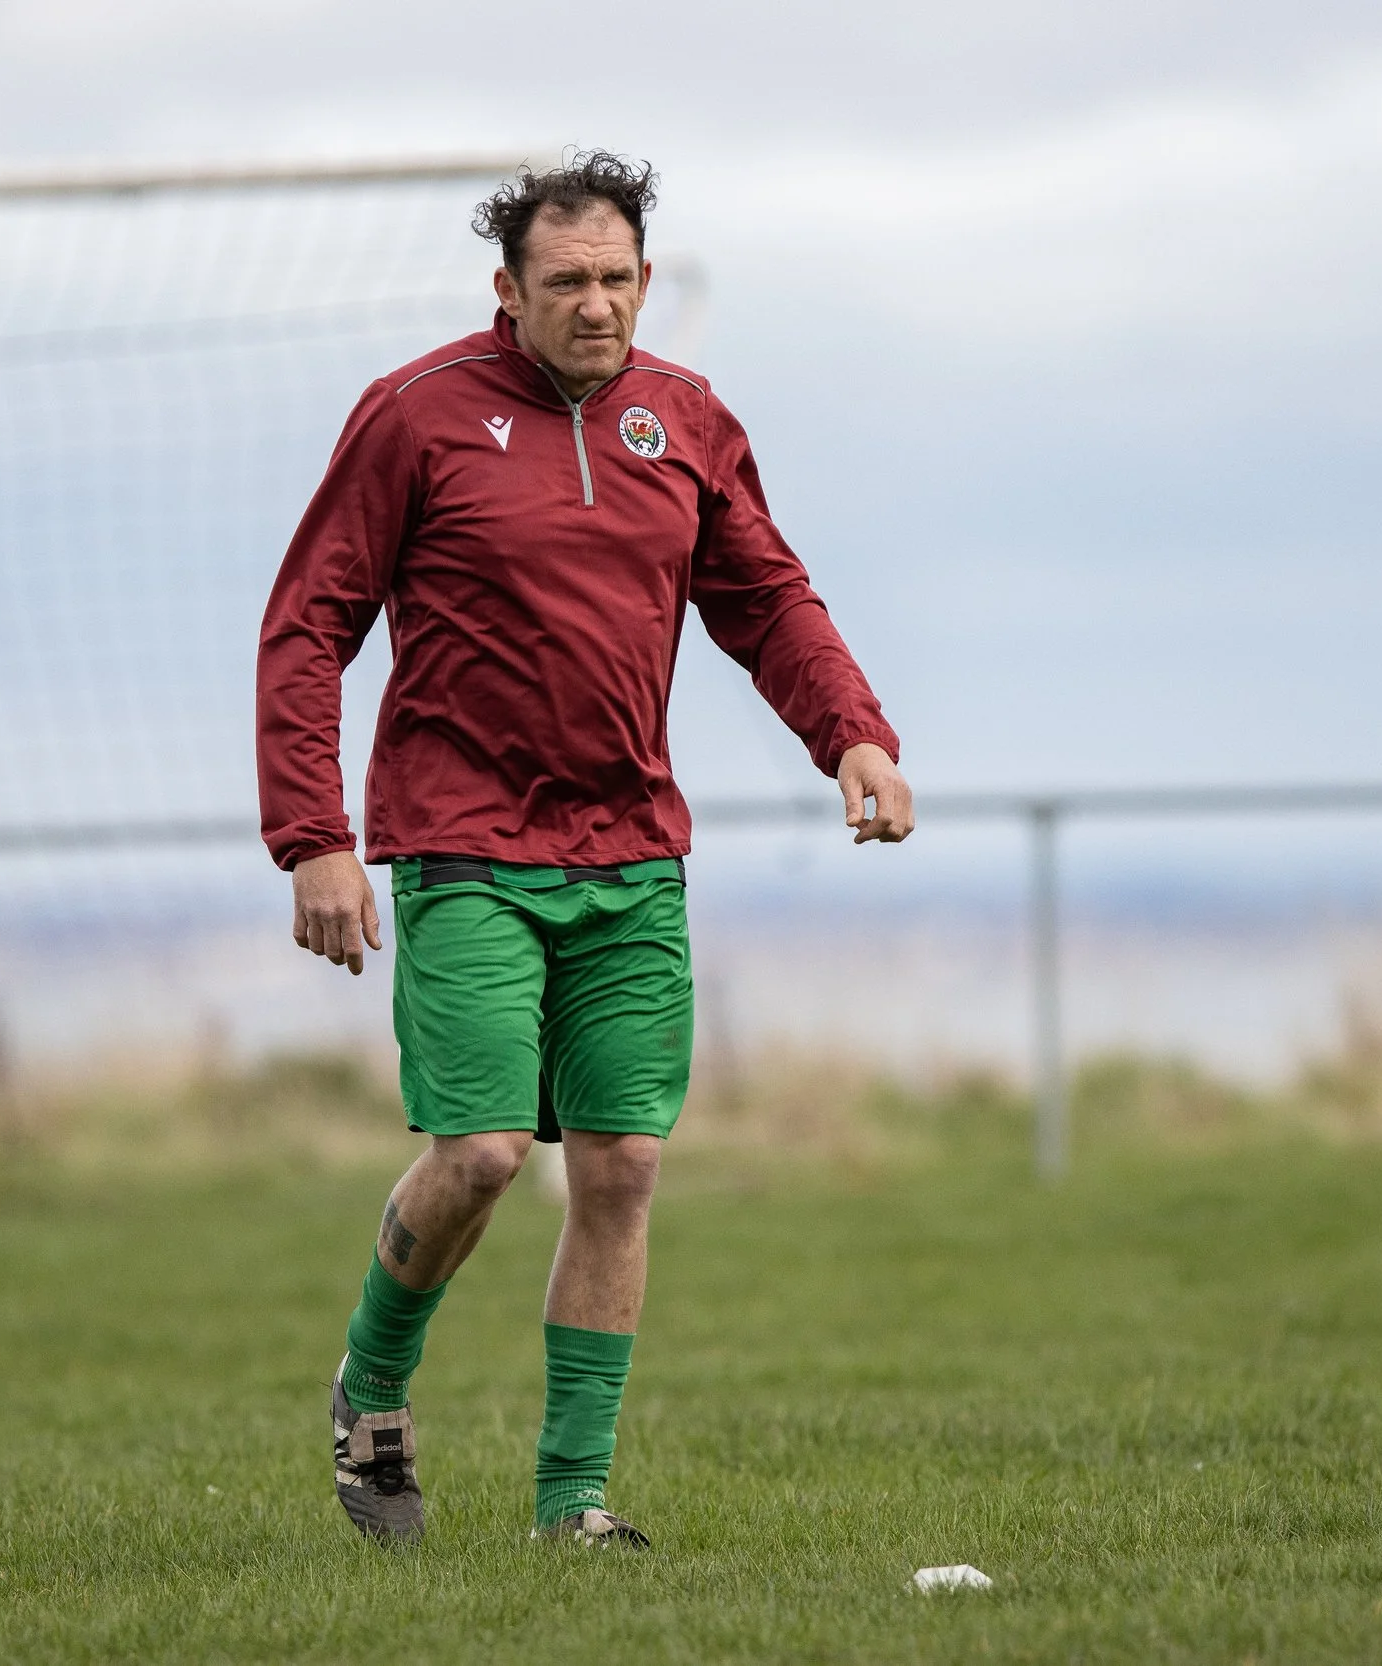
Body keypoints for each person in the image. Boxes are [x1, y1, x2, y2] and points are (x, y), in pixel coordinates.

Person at [256, 151, 913, 1549]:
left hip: (631, 854)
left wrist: (852, 734)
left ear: (646, 280)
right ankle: (371, 1387)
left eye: (617, 278)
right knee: (486, 1152)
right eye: (566, 282)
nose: (596, 304)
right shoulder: (415, 416)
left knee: (621, 1168)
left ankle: (574, 1508)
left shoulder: (688, 420)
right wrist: (314, 835)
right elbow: (308, 623)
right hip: (463, 845)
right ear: (508, 289)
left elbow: (767, 599)